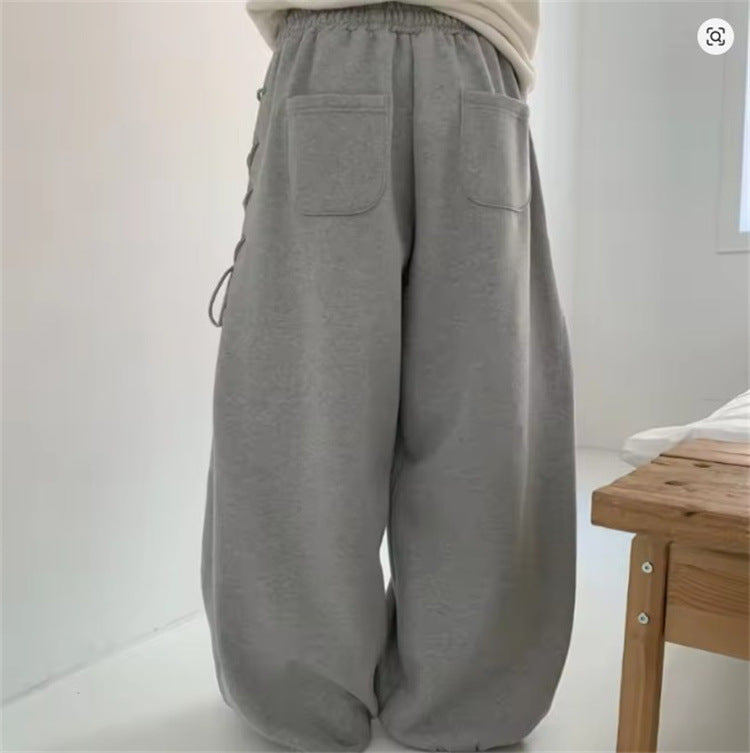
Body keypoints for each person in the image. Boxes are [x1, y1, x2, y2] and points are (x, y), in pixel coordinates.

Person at [201, 2, 576, 751]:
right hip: (479, 66)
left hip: (329, 53)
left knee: (303, 416)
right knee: (486, 418)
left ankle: (301, 698)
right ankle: (470, 701)